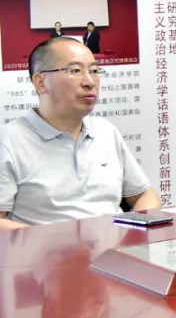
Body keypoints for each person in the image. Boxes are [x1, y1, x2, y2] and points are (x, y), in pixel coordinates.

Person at [0, 38, 161, 229]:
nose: (90, 82)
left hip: (113, 244)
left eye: (94, 71)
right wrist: (52, 241)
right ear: (41, 83)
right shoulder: (8, 141)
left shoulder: (105, 131)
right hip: (48, 247)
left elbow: (145, 194)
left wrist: (133, 231)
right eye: (75, 71)